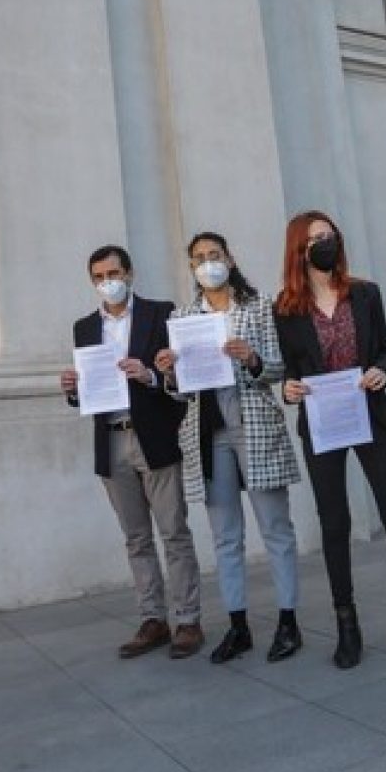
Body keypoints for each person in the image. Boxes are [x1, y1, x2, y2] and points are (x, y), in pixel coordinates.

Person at [274, 210, 386, 669]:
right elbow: (290, 371)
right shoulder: (287, 309)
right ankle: (346, 624)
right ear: (299, 249)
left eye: (330, 235)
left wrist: (383, 371)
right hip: (322, 422)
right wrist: (288, 389)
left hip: (369, 415)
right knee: (334, 523)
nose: (325, 243)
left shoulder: (365, 293)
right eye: (316, 238)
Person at [154, 232, 303, 664]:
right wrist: (170, 372)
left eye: (213, 255)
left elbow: (277, 368)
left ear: (229, 258)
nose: (207, 264)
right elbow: (179, 395)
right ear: (191, 268)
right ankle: (238, 626)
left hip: (253, 421)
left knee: (276, 527)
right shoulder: (184, 318)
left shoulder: (258, 307)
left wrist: (251, 357)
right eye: (198, 258)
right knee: (225, 535)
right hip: (206, 430)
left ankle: (288, 621)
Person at [60, 245, 203, 660]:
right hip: (110, 438)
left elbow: (177, 375)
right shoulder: (84, 328)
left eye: (115, 273)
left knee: (174, 531)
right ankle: (153, 619)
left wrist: (151, 376)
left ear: (131, 273)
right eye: (100, 276)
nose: (109, 282)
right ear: (93, 282)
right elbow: (87, 391)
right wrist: (72, 391)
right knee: (136, 537)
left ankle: (188, 619)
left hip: (154, 435)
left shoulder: (161, 313)